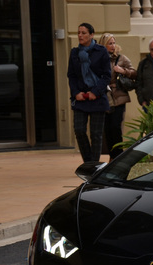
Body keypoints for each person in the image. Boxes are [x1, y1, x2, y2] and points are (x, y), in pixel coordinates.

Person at [67, 22, 111, 163]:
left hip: (97, 98)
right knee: (79, 130)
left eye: (84, 33)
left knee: (96, 134)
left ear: (91, 35)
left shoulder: (101, 51)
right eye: (79, 32)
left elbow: (106, 76)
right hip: (80, 98)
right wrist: (75, 93)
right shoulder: (74, 53)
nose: (80, 35)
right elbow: (71, 75)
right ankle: (88, 163)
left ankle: (94, 164)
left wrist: (95, 92)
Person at [97, 33, 136, 161]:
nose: (113, 46)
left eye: (114, 43)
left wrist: (123, 71)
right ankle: (112, 157)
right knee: (107, 129)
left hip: (118, 97)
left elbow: (134, 73)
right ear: (103, 45)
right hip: (104, 97)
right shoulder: (98, 59)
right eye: (110, 43)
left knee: (116, 127)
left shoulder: (121, 58)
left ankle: (118, 157)